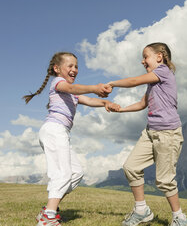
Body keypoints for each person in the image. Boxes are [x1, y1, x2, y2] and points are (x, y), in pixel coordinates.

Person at [23, 52, 120, 226]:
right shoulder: (58, 83)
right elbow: (74, 89)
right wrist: (94, 87)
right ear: (57, 69)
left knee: (75, 173)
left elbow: (89, 100)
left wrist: (106, 103)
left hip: (61, 133)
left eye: (76, 66)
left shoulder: (72, 94)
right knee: (62, 173)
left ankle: (48, 210)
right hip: (53, 130)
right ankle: (48, 218)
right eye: (70, 66)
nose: (74, 69)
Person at [108, 42, 187, 226]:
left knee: (164, 180)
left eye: (146, 56)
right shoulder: (154, 81)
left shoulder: (163, 71)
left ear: (159, 57)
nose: (142, 61)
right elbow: (142, 103)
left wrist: (112, 83)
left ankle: (180, 218)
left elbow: (134, 81)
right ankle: (141, 210)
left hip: (167, 133)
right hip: (150, 132)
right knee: (131, 167)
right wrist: (120, 110)